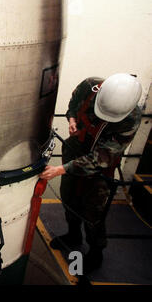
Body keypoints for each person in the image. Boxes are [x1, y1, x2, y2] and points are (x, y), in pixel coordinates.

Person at [39, 73, 142, 274]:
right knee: (69, 198)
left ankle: (96, 251)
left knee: (94, 212)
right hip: (74, 153)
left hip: (99, 170)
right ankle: (73, 235)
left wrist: (61, 169)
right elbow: (73, 103)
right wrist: (71, 119)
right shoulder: (89, 86)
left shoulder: (131, 119)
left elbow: (102, 157)